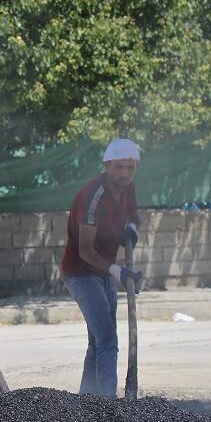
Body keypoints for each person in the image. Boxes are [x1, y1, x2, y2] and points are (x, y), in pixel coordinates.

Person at [59, 138, 143, 397]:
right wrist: (118, 272)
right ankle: (108, 405)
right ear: (107, 166)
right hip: (81, 273)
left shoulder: (127, 189)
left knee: (97, 342)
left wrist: (131, 229)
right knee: (108, 340)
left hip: (102, 271)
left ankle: (87, 401)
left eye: (129, 168)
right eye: (119, 167)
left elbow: (134, 215)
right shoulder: (92, 196)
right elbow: (85, 251)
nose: (124, 174)